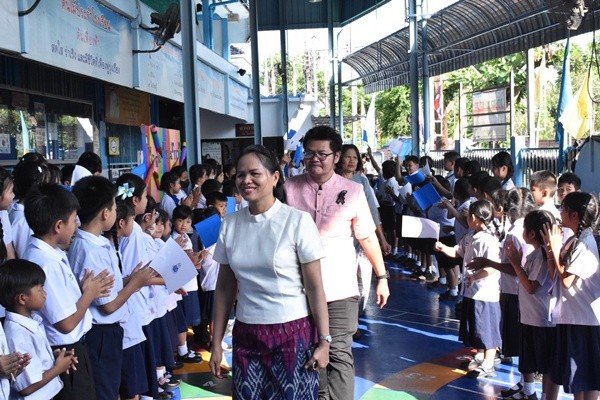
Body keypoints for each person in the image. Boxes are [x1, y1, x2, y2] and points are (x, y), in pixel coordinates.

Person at [210, 145, 330, 399]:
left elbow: (315, 286)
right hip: (246, 333)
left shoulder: (297, 221)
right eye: (240, 174)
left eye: (255, 173)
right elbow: (224, 289)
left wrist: (325, 340)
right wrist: (216, 343)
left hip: (293, 333)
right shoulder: (230, 224)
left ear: (275, 177)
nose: (246, 180)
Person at [284, 126, 389, 400]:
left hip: (340, 288)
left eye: (322, 154)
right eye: (309, 153)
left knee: (339, 351)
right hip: (298, 289)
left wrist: (382, 277)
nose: (315, 159)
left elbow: (366, 236)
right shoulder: (288, 188)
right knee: (311, 350)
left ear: (336, 156)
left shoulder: (353, 191)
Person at [22, 184, 114, 400]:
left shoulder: (49, 252)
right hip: (65, 352)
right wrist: (90, 294)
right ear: (58, 226)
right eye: (74, 220)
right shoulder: (46, 263)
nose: (78, 224)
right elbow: (66, 324)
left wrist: (82, 290)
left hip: (70, 347)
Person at [68, 176, 156, 400]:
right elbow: (107, 306)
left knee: (112, 387)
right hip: (100, 335)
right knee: (106, 391)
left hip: (108, 333)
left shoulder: (96, 242)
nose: (117, 213)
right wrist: (135, 284)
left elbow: (111, 286)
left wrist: (130, 279)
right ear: (105, 214)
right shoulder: (90, 250)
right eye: (116, 208)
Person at [542, 192, 600, 398]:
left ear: (574, 215)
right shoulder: (573, 240)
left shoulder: (585, 243)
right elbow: (555, 275)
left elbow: (567, 281)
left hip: (583, 319)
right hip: (570, 316)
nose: (560, 213)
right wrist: (551, 250)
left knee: (587, 377)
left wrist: (555, 248)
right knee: (576, 378)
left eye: (563, 209)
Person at [435, 200, 501, 379]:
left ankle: (489, 363)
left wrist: (475, 277)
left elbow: (493, 267)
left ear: (475, 217)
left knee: (487, 328)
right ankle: (479, 354)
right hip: (471, 291)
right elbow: (457, 251)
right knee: (476, 326)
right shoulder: (471, 235)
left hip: (485, 293)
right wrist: (443, 248)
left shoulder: (489, 240)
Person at [0, 259, 75, 399]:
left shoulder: (32, 320)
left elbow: (36, 365)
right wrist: (58, 368)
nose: (45, 294)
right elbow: (26, 388)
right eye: (40, 289)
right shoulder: (17, 333)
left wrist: (56, 358)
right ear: (22, 298)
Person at [505, 210, 559, 400]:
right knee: (528, 359)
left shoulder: (543, 256)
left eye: (525, 229)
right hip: (530, 316)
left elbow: (531, 287)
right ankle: (528, 391)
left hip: (541, 319)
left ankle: (546, 396)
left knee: (546, 365)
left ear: (532, 233)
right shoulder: (536, 254)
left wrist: (515, 264)